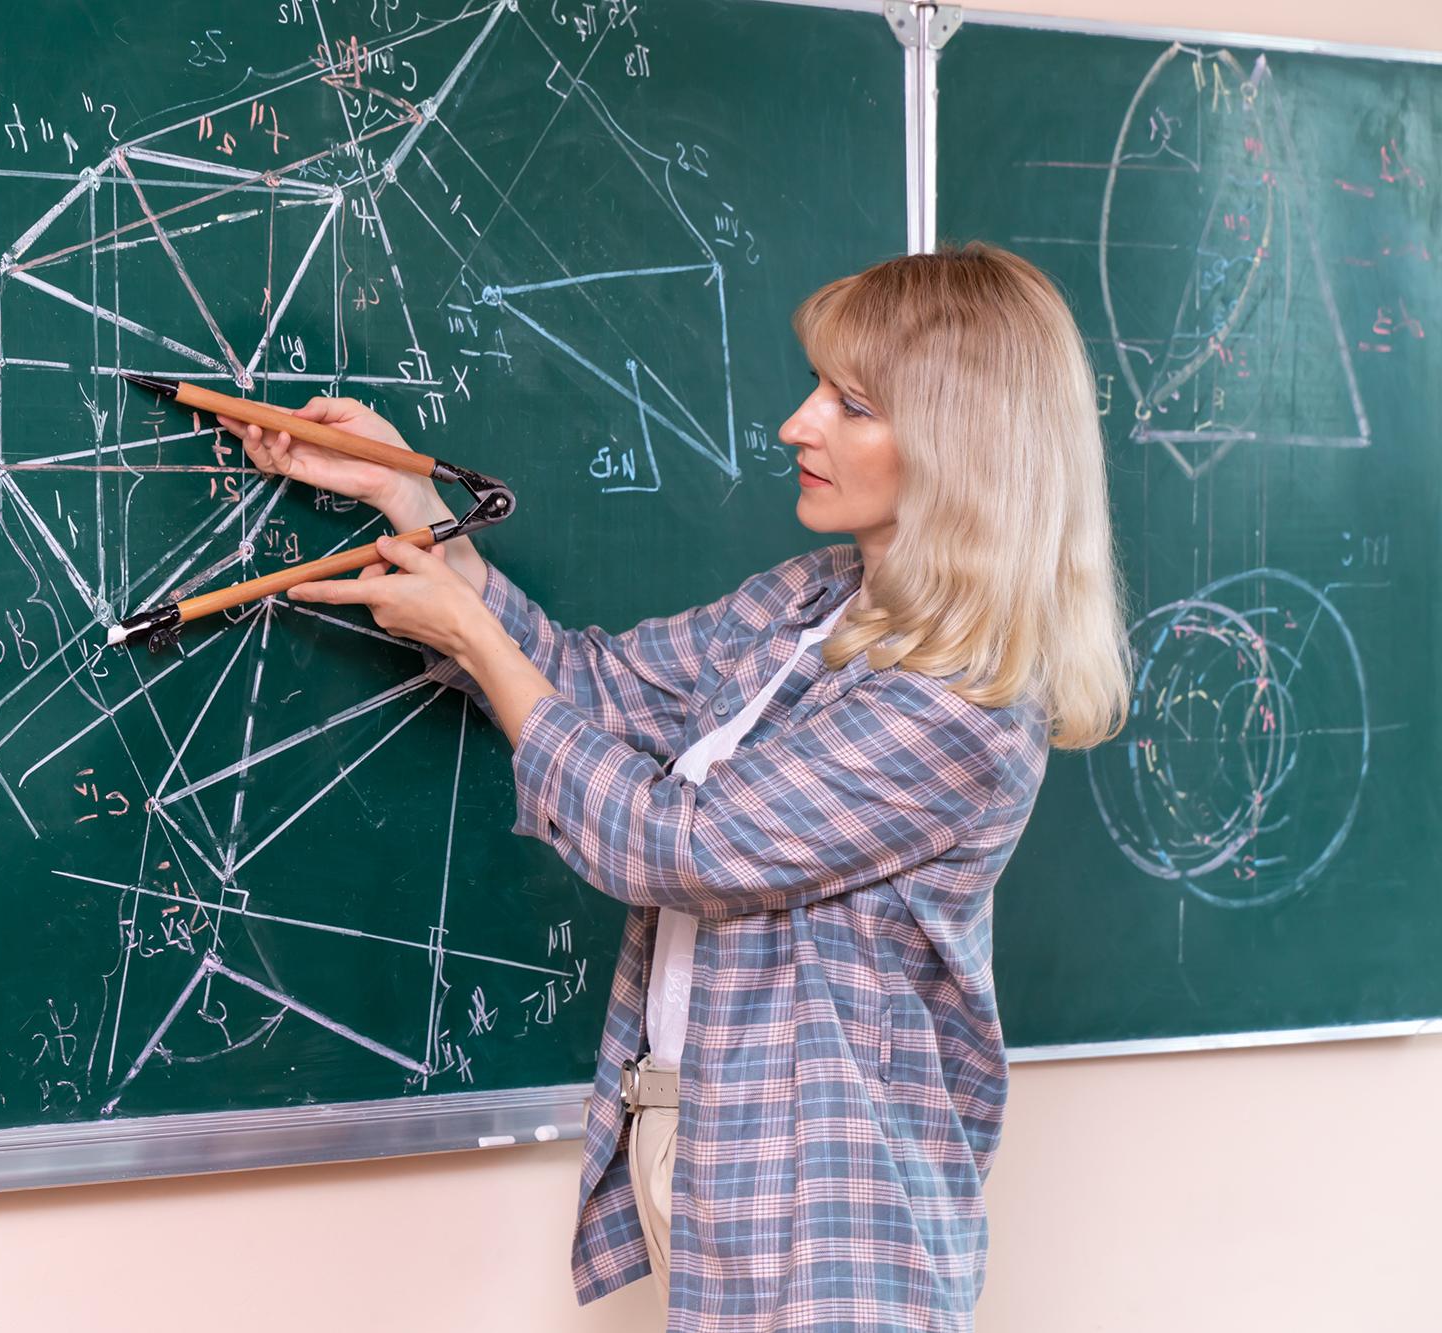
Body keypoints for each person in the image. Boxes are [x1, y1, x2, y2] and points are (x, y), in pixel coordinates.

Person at [217, 242, 1130, 1332]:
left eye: (850, 405)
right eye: (814, 391)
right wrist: (408, 499)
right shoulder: (812, 602)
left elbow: (676, 848)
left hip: (822, 1196)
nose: (797, 426)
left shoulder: (963, 703)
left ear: (959, 444)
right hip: (702, 1147)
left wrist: (473, 638)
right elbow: (595, 686)